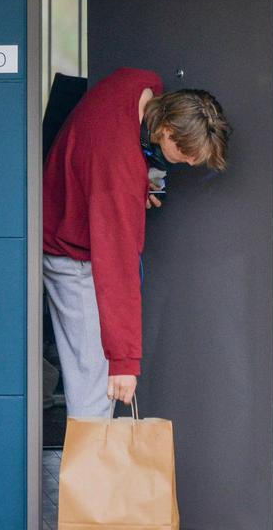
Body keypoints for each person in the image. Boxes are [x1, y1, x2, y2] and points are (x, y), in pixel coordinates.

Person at [42, 68, 231, 418]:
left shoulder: (136, 86)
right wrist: (124, 362)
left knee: (94, 383)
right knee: (93, 388)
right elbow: (117, 271)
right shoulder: (118, 174)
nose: (190, 162)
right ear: (165, 129)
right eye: (185, 152)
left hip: (70, 216)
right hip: (72, 258)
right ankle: (90, 473)